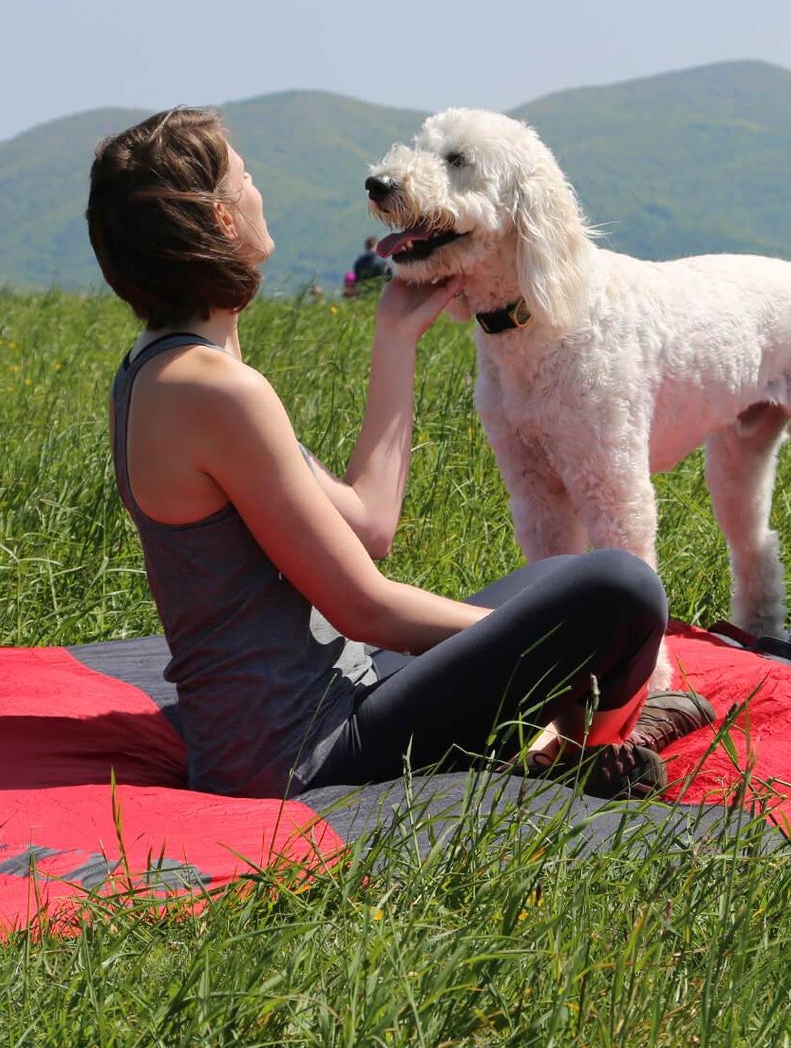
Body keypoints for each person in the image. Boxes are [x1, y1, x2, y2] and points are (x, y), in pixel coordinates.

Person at [85, 107, 713, 801]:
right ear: (224, 220)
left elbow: (367, 524)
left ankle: (558, 734)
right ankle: (587, 733)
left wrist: (395, 341)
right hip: (301, 749)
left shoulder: (162, 367)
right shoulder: (215, 391)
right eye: (247, 176)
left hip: (323, 696)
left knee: (571, 574)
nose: (261, 189)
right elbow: (369, 610)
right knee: (622, 590)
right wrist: (560, 648)